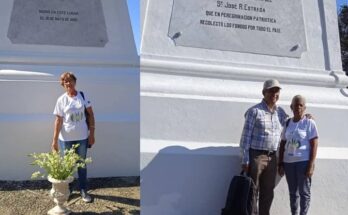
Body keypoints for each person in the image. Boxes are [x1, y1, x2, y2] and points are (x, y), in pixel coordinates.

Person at [240, 79, 288, 215]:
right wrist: (245, 159)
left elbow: (291, 125)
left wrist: (305, 118)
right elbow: (245, 137)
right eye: (271, 90)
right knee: (252, 190)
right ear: (264, 92)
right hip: (256, 156)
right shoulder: (254, 111)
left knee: (268, 191)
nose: (274, 94)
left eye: (277, 91)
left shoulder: (281, 113)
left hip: (273, 157)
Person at [51, 71, 95, 203]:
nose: (68, 83)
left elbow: (91, 115)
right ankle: (68, 189)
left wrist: (91, 134)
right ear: (63, 84)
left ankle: (83, 189)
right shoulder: (61, 100)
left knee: (81, 164)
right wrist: (54, 141)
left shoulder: (82, 96)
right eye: (65, 81)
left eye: (70, 80)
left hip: (82, 137)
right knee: (67, 166)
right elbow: (58, 121)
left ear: (75, 82)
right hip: (65, 139)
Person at [278, 95, 318, 215]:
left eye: (301, 105)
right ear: (291, 107)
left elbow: (314, 144)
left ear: (305, 108)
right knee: (292, 193)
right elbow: (282, 143)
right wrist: (280, 163)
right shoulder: (287, 123)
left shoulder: (309, 123)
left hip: (303, 163)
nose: (298, 107)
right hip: (288, 163)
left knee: (304, 193)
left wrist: (311, 165)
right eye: (296, 105)